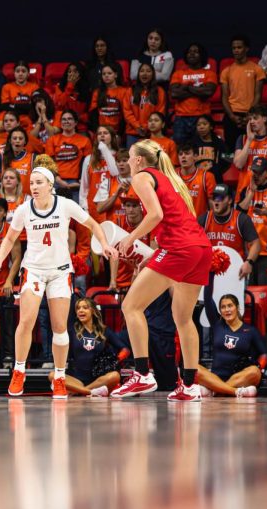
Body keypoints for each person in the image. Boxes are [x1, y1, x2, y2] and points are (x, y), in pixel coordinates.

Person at [0, 155, 116, 398]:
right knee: (26, 321)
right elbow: (9, 239)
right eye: (32, 183)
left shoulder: (66, 205)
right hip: (33, 270)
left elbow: (93, 224)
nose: (34, 187)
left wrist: (105, 245)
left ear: (50, 185)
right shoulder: (24, 210)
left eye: (38, 183)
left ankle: (59, 376)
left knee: (59, 327)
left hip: (59, 272)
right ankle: (19, 371)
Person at [110, 139, 215, 401]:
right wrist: (156, 254)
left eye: (129, 157)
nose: (125, 162)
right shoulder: (167, 178)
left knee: (130, 306)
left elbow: (155, 215)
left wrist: (130, 238)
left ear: (137, 160)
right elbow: (175, 222)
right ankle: (190, 385)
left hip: (180, 249)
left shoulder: (142, 177)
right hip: (200, 249)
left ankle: (143, 374)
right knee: (183, 319)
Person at [194, 283, 266, 398]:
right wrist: (211, 272)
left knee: (254, 372)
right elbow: (207, 298)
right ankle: (233, 391)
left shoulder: (250, 330)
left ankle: (215, 391)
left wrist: (259, 366)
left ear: (237, 308)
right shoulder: (217, 325)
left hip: (239, 378)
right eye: (223, 307)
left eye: (230, 306)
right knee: (194, 368)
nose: (227, 310)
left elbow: (264, 354)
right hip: (215, 377)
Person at [236, 156, 267, 283]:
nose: (256, 175)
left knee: (264, 290)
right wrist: (251, 193)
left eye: (259, 172)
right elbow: (237, 214)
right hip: (248, 252)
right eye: (254, 171)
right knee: (248, 293)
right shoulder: (246, 191)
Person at [61, 296, 122, 397]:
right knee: (52, 375)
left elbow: (125, 349)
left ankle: (80, 391)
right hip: (76, 379)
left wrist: (115, 360)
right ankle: (90, 392)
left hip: (98, 380)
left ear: (93, 311)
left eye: (85, 307)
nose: (81, 310)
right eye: (78, 308)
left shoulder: (104, 330)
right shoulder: (72, 330)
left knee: (115, 376)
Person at [199, 183, 261, 278]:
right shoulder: (204, 219)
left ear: (230, 200)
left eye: (220, 198)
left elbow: (256, 244)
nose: (216, 201)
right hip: (210, 271)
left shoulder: (241, 219)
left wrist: (249, 262)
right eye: (214, 198)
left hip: (236, 271)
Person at [221, 35, 266, 151]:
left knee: (254, 148)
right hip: (232, 115)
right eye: (234, 48)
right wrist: (231, 116)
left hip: (251, 114)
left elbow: (258, 95)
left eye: (239, 47)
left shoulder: (257, 69)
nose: (236, 50)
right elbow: (224, 97)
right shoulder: (226, 71)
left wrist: (249, 115)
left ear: (246, 49)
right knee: (231, 149)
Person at [169, 43, 218, 147]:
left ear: (202, 55)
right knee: (180, 150)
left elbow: (208, 92)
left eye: (195, 52)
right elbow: (174, 93)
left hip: (202, 117)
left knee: (201, 149)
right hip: (181, 118)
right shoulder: (178, 73)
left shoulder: (209, 74)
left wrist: (187, 87)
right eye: (189, 52)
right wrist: (198, 90)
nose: (192, 54)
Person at [232, 104, 267, 195]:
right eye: (250, 119)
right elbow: (238, 164)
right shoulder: (243, 139)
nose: (252, 121)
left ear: (264, 119)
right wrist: (249, 140)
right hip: (246, 189)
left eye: (255, 118)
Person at [44, 109, 91, 200]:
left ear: (76, 122)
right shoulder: (52, 140)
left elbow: (87, 164)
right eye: (64, 119)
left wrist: (80, 182)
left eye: (70, 119)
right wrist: (58, 180)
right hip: (56, 181)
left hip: (76, 183)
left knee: (74, 213)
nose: (66, 121)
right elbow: (49, 163)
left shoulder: (85, 140)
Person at [80, 125, 121, 222]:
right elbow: (84, 187)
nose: (102, 136)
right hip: (93, 206)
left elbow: (115, 173)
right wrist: (84, 208)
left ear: (112, 137)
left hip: (113, 204)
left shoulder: (119, 157)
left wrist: (105, 150)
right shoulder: (89, 159)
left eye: (105, 133)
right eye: (99, 133)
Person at [177, 143, 215, 217]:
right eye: (180, 154)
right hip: (177, 224)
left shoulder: (207, 177)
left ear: (195, 156)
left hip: (198, 224)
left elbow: (212, 206)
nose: (183, 156)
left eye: (187, 153)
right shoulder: (171, 176)